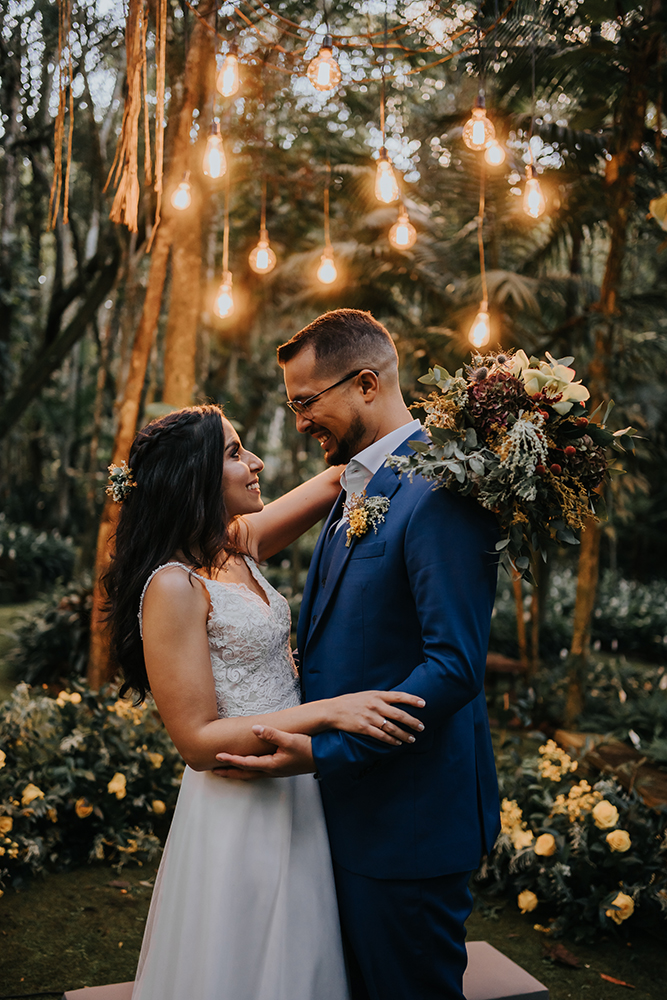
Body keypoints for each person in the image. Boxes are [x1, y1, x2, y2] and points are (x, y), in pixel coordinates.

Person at [213, 309, 501, 1000]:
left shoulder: (440, 490)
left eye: (306, 403)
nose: (299, 422)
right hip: (348, 817)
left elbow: (453, 664)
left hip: (407, 822)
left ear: (366, 383)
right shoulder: (355, 486)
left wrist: (322, 753)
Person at [103, 403, 426, 1000]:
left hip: (296, 788)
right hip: (236, 805)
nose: (254, 463)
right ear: (193, 476)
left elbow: (343, 476)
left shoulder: (236, 545)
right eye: (233, 453)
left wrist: (446, 420)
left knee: (299, 962)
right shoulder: (173, 584)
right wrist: (329, 710)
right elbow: (198, 742)